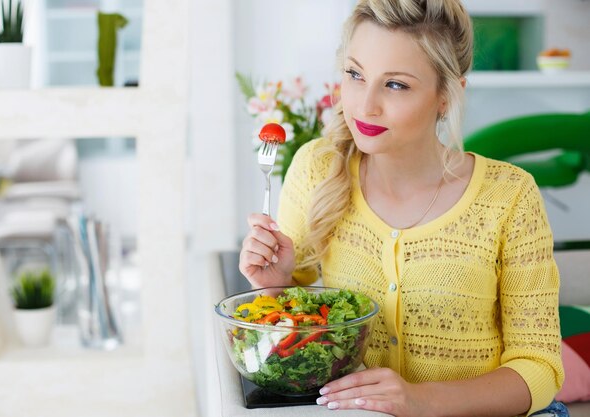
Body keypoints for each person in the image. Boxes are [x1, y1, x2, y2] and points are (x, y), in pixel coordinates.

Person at [239, 0, 566, 416]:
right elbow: (299, 342)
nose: (365, 105)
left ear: (446, 96)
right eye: (355, 75)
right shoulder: (317, 169)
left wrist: (420, 400)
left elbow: (538, 367)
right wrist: (274, 286)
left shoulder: (510, 197)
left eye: (396, 85)